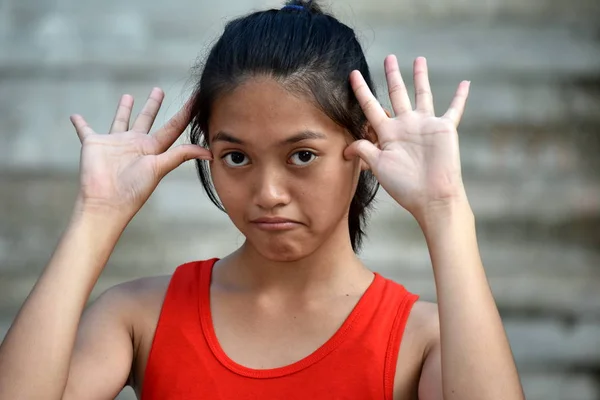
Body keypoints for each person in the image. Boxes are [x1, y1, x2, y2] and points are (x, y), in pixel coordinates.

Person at [0, 1, 525, 399]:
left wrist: (446, 211)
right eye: (236, 158)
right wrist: (95, 217)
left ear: (364, 144)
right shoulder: (138, 316)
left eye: (301, 156)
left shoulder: (427, 338)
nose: (268, 194)